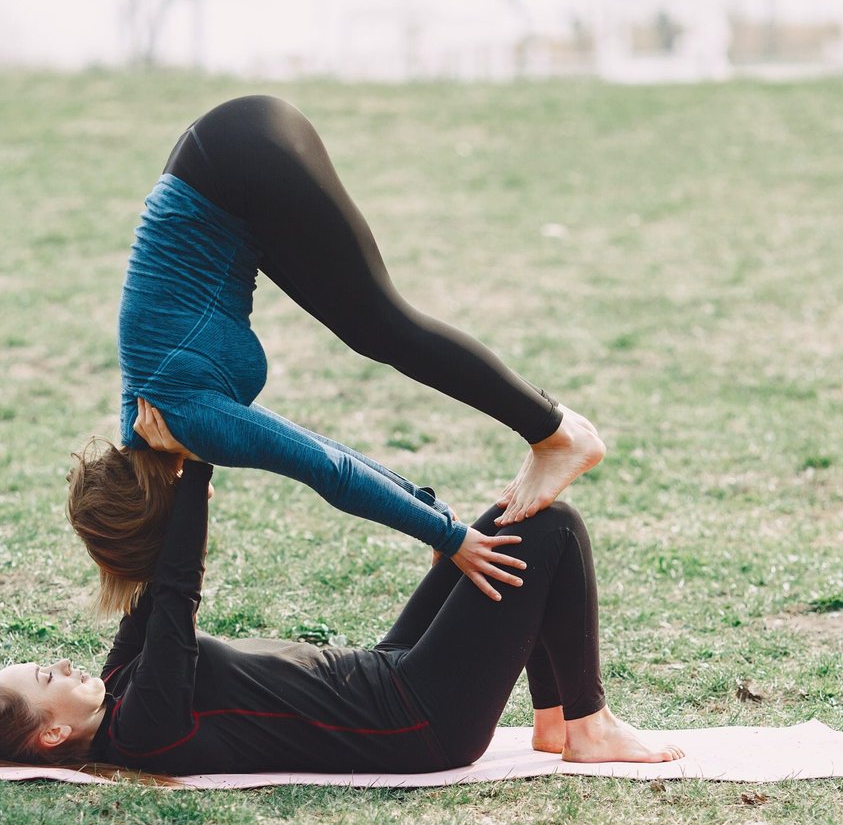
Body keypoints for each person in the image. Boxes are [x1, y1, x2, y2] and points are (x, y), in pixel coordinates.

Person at [71, 95, 605, 615]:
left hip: (241, 160)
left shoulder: (188, 423)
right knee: (371, 329)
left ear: (165, 512)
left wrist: (450, 536)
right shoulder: (148, 423)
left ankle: (556, 432)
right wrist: (436, 515)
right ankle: (550, 430)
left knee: (383, 326)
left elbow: (330, 469)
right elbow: (320, 449)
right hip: (229, 155)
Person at [0, 443, 682, 776]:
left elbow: (151, 583)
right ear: (52, 731)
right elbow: (178, 597)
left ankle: (555, 719)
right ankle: (585, 724)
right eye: (51, 673)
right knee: (548, 532)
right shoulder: (142, 726)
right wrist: (201, 462)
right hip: (417, 720)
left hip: (385, 673)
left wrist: (166, 453)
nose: (69, 663)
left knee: (504, 523)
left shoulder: (119, 684)